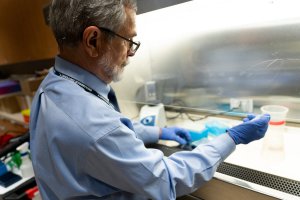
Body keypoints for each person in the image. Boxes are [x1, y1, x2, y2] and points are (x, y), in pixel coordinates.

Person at [29, 0, 270, 199]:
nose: (131, 52)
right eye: (128, 40)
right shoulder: (93, 124)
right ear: (93, 41)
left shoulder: (54, 84)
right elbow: (166, 180)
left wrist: (159, 132)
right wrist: (231, 139)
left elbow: (103, 137)